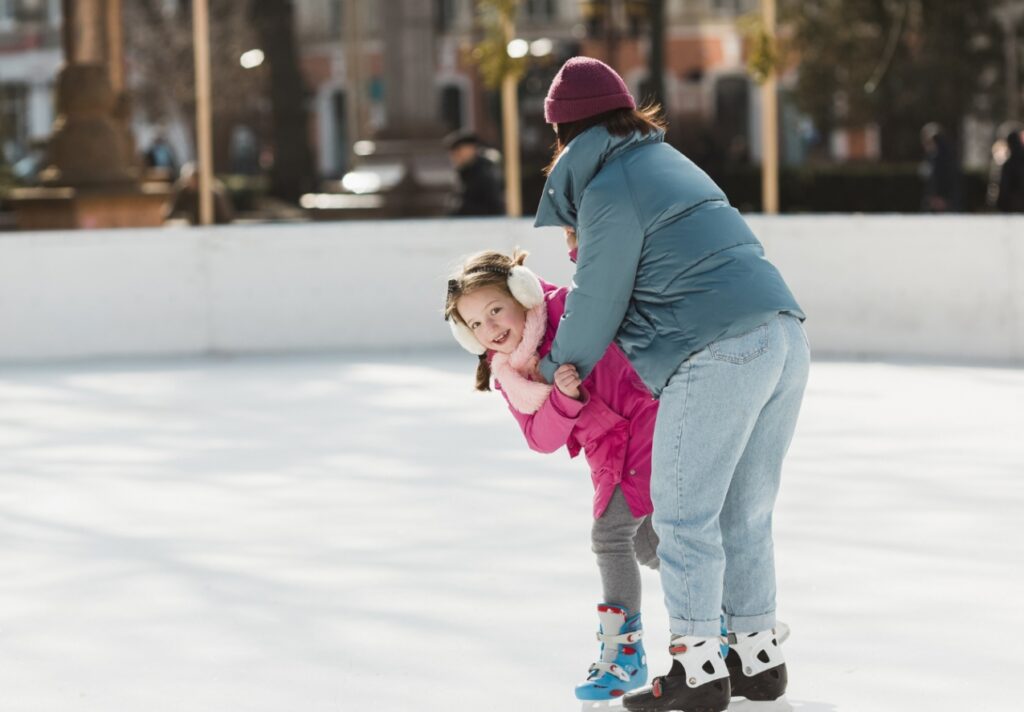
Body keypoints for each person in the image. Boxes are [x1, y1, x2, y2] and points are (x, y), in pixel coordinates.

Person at [532, 57, 809, 712]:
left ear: (564, 132)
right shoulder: (667, 162)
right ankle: (754, 657)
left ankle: (697, 670)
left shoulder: (608, 185)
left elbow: (597, 300)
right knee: (745, 511)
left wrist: (552, 368)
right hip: (783, 333)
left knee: (683, 516)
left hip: (718, 348)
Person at [444, 247, 661, 703]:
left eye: (495, 310)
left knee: (610, 537)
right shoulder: (508, 373)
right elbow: (540, 438)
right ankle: (730, 610)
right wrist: (561, 400)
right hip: (608, 450)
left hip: (645, 422)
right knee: (648, 544)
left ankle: (625, 655)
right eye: (476, 324)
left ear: (521, 293)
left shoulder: (566, 309)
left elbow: (609, 298)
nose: (490, 329)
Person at [444, 130, 505, 216]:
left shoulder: (484, 174)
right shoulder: (463, 173)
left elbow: (494, 208)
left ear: (471, 150)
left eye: (458, 151)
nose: (454, 156)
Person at [919, 122, 961, 213]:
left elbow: (947, 178)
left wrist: (942, 198)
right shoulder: (931, 157)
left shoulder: (944, 159)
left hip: (945, 204)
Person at [996, 126, 1024, 213]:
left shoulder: (1009, 164)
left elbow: (1004, 186)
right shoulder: (1011, 163)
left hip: (1012, 206)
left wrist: (1001, 203)